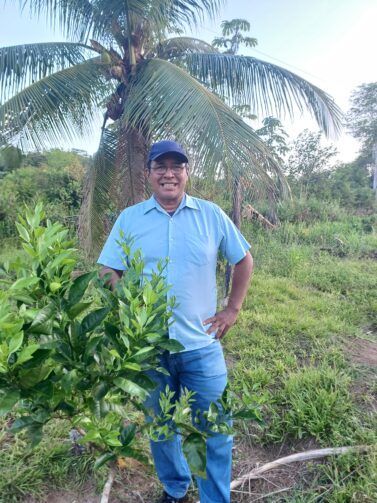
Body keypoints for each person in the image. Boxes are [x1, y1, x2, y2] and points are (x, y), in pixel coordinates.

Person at [97, 140, 253, 503]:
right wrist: (130, 302)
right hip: (149, 348)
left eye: (176, 166)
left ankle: (215, 498)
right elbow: (108, 270)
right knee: (160, 427)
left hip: (201, 345)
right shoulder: (130, 219)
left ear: (187, 172)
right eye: (160, 166)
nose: (169, 173)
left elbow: (243, 260)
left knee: (215, 428)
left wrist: (232, 309)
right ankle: (176, 488)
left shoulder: (211, 215)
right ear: (148, 173)